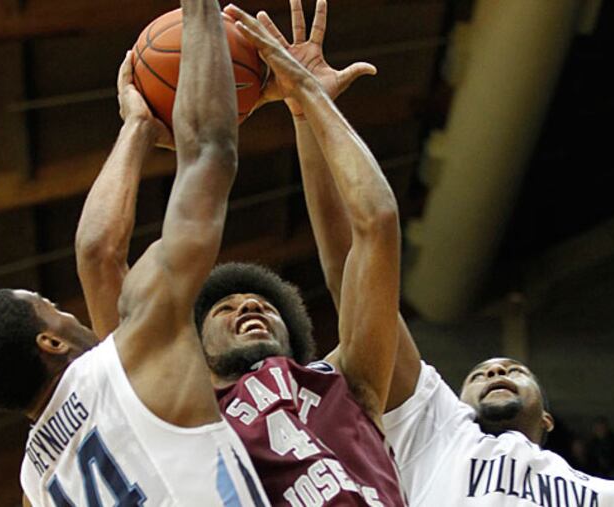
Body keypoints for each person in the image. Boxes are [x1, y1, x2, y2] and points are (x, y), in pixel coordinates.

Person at [269, 2, 614, 505]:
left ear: (548, 418)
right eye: (481, 373)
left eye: (513, 370)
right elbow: (347, 269)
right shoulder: (434, 425)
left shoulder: (605, 495)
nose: (495, 372)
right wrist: (308, 110)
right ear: (457, 400)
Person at [75, 1, 407, 505]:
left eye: (262, 304)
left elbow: (377, 223)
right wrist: (137, 128)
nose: (248, 306)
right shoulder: (178, 409)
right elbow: (100, 257)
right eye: (225, 308)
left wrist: (310, 98)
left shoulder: (349, 384)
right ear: (194, 345)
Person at [0, 1, 269, 505]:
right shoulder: (131, 356)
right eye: (53, 308)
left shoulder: (36, 485)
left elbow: (99, 256)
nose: (71, 310)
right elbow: (210, 153)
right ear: (51, 344)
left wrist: (137, 128)